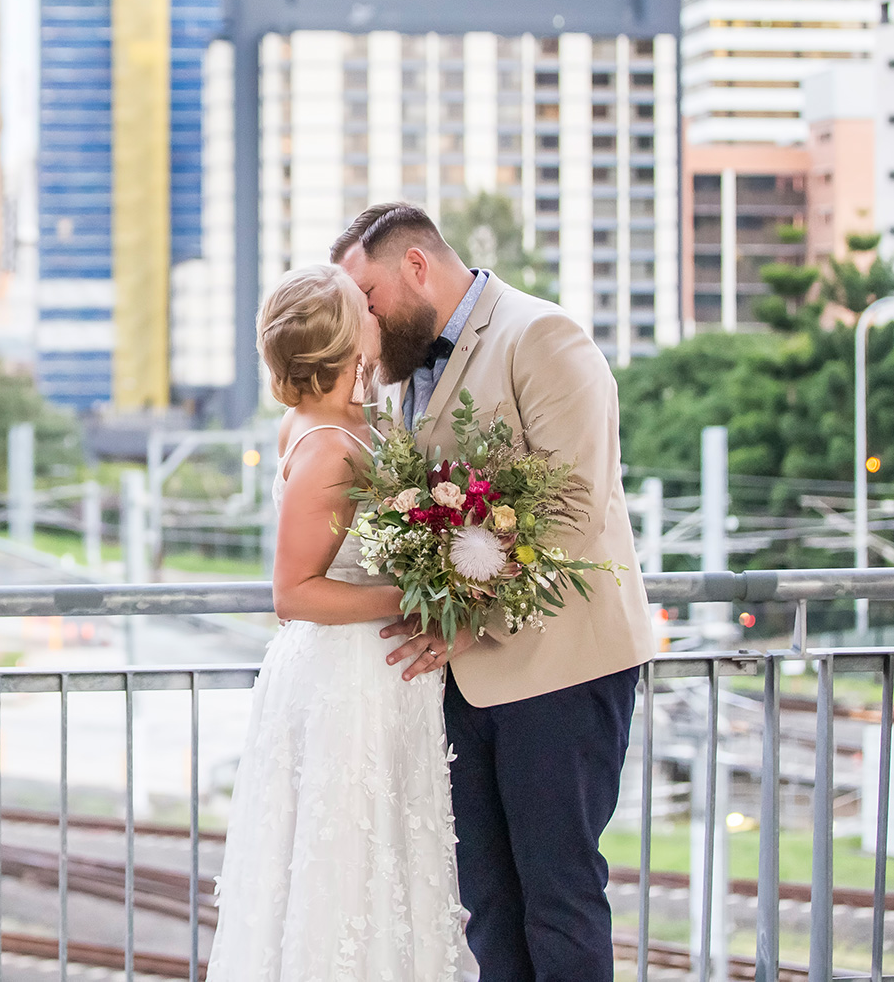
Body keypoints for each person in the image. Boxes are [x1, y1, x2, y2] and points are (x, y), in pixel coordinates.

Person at [331, 202, 654, 982]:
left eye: (367, 299)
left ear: (416, 266)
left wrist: (467, 625)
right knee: (488, 903)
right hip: (457, 683)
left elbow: (574, 509)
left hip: (561, 670)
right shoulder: (400, 372)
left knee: (559, 893)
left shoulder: (543, 336)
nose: (363, 322)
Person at [203, 263, 466, 981]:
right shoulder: (324, 445)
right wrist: (417, 598)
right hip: (344, 683)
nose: (378, 313)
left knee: (391, 867)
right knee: (345, 871)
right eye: (365, 309)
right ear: (352, 343)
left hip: (384, 683)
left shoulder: (363, 420)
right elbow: (294, 592)